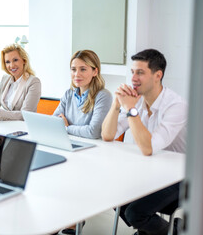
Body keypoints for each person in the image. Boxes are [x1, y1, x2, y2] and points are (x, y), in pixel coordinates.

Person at [101, 49, 187, 235]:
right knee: (115, 198)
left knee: (135, 213)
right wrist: (117, 105)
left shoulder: (176, 106)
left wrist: (131, 110)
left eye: (140, 72)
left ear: (158, 75)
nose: (133, 78)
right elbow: (108, 135)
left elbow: (148, 148)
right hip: (154, 169)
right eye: (132, 72)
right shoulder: (137, 101)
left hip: (182, 176)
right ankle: (156, 231)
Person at [53, 50, 112, 139]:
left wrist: (66, 128)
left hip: (93, 149)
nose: (77, 74)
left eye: (83, 69)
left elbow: (93, 132)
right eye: (73, 69)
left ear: (95, 72)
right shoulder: (69, 93)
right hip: (68, 142)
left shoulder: (103, 96)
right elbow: (54, 122)